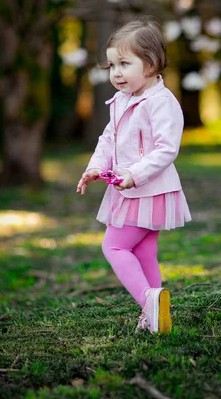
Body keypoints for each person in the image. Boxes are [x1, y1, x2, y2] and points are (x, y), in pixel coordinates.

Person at [76, 17, 191, 334]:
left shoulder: (160, 102)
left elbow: (167, 149)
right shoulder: (123, 100)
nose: (116, 73)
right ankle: (154, 316)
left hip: (147, 190)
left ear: (151, 65)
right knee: (143, 253)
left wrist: (134, 174)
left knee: (113, 247)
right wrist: (96, 166)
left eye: (124, 64)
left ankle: (148, 300)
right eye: (112, 65)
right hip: (132, 191)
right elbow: (109, 139)